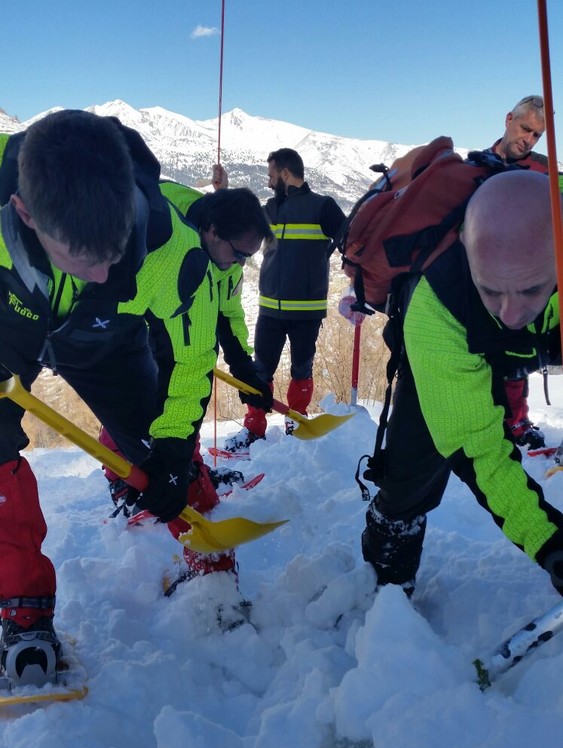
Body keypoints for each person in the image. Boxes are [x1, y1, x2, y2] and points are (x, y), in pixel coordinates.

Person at [0, 109, 271, 686]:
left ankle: (211, 563)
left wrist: (173, 448)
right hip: (10, 318)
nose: (101, 272)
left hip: (105, 340)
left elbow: (193, 359)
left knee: (156, 439)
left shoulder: (171, 251)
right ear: (25, 212)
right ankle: (24, 608)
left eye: (114, 252)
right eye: (82, 255)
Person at [361, 170, 563, 603]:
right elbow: (477, 446)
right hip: (452, 345)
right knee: (409, 474)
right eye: (492, 290)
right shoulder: (438, 304)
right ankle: (387, 583)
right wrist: (549, 542)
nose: (511, 313)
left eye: (530, 289)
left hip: (543, 331)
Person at [223, 147, 347, 449]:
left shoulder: (323, 207)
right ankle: (254, 430)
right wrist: (222, 191)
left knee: (301, 370)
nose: (268, 182)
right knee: (260, 371)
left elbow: (351, 243)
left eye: (271, 175)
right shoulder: (270, 209)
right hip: (269, 311)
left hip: (307, 311)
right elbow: (236, 226)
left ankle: (297, 423)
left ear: (286, 174)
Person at [486, 95, 548, 450]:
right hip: (479, 279)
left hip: (524, 281)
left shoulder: (541, 170)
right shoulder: (476, 165)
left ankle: (517, 421)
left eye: (537, 135)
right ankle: (485, 419)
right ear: (509, 119)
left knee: (517, 356)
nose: (529, 139)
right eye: (526, 128)